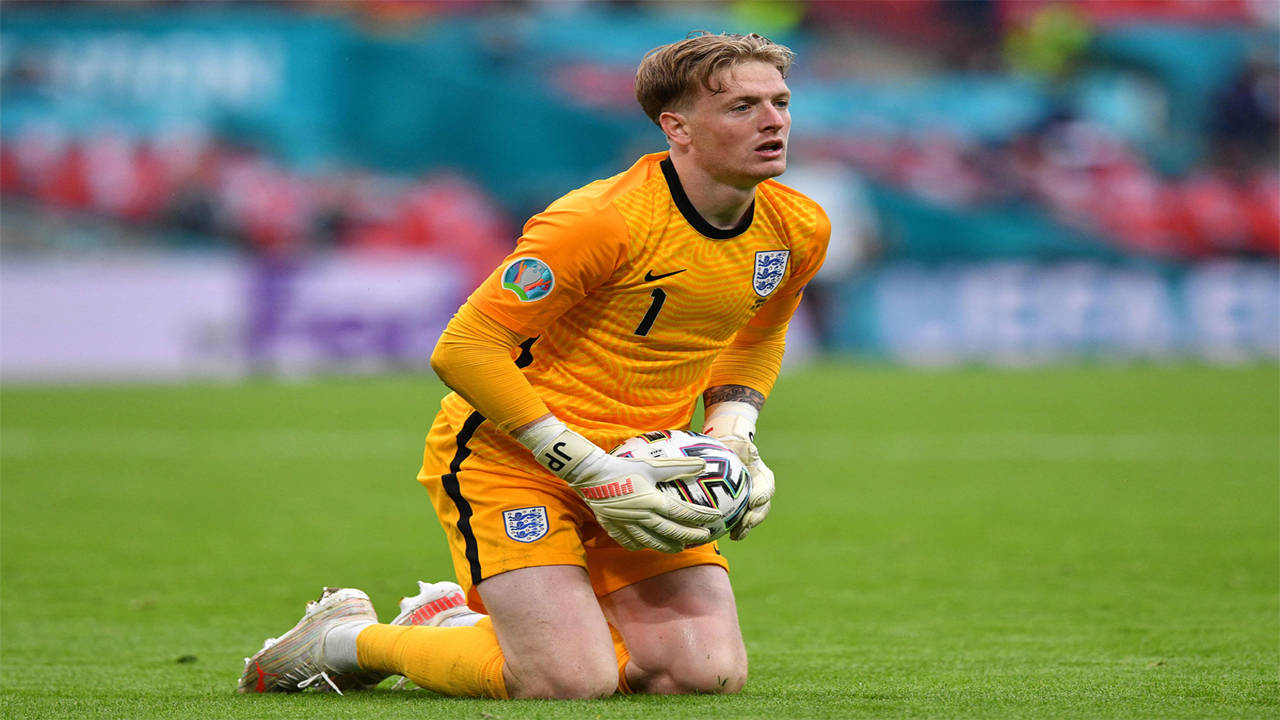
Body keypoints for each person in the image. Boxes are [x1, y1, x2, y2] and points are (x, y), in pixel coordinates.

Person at [238, 30, 828, 700]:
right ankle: (348, 640)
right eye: (743, 107)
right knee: (568, 683)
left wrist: (733, 432)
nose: (774, 120)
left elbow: (758, 334)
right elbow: (463, 347)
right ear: (677, 127)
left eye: (780, 101)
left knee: (701, 675)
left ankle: (459, 624)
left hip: (646, 463)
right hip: (512, 460)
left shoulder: (798, 227)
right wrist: (586, 466)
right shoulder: (598, 221)